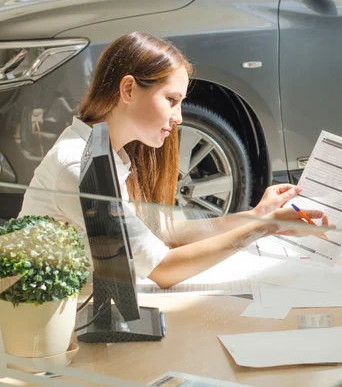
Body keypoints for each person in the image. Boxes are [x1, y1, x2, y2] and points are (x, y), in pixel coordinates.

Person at [19, 32, 326, 289]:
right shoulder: (77, 165)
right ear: (127, 89)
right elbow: (163, 268)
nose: (178, 117)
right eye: (171, 100)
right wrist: (266, 227)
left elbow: (164, 233)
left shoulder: (106, 152)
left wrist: (257, 217)